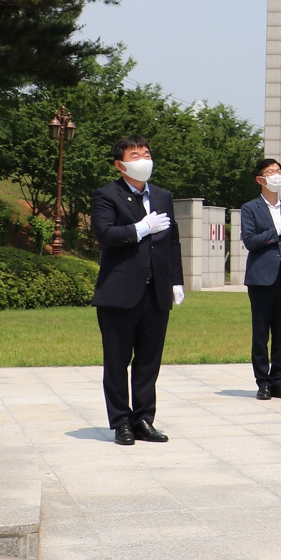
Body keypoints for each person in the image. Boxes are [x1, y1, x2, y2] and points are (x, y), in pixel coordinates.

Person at [90, 135, 184, 445]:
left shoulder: (162, 196)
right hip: (119, 292)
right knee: (117, 361)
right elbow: (105, 233)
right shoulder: (106, 195)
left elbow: (172, 242)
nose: (144, 159)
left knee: (148, 361)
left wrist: (176, 281)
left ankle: (144, 419)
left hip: (155, 291)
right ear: (120, 164)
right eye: (135, 155)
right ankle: (121, 423)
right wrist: (141, 229)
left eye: (146, 154)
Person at [238, 158, 281, 400]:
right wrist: (275, 231)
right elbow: (250, 241)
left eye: (278, 171)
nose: (276, 175)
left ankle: (279, 381)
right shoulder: (250, 208)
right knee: (261, 333)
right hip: (261, 278)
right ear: (260, 179)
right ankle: (262, 382)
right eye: (270, 172)